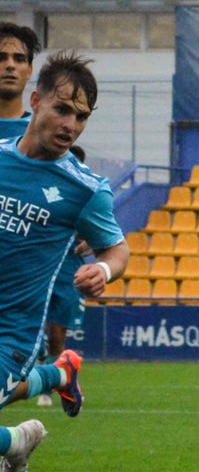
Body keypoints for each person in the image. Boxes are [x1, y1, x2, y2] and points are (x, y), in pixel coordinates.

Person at [1, 52, 127, 472]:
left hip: (11, 332)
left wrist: (103, 270)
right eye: (62, 109)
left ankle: (18, 436)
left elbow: (117, 248)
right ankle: (54, 382)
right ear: (35, 102)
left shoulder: (84, 188)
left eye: (81, 117)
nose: (70, 125)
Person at [36, 145, 92, 405]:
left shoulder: (87, 193)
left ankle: (50, 382)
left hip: (69, 269)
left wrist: (91, 242)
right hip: (41, 265)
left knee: (58, 331)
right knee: (34, 325)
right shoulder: (45, 186)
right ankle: (41, 361)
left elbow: (99, 231)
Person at [0, 22, 40, 142]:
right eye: (1, 58)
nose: (10, 65)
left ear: (29, 70)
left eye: (19, 59)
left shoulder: (42, 133)